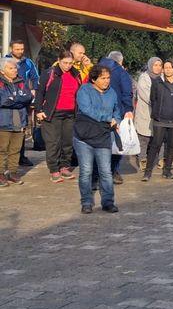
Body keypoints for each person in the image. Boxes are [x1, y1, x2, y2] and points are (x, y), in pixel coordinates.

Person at [73, 64, 121, 214]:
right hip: (84, 136)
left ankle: (108, 202)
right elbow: (87, 110)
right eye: (103, 78)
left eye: (108, 78)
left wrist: (116, 119)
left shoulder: (112, 92)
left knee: (106, 171)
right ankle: (86, 202)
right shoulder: (84, 90)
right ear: (93, 79)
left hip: (103, 135)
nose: (106, 81)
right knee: (86, 171)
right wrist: (107, 118)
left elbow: (116, 110)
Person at [35, 50, 82, 183]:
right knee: (53, 142)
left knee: (67, 142)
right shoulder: (49, 73)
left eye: (70, 63)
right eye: (65, 63)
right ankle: (54, 169)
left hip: (70, 113)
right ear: (59, 60)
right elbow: (40, 92)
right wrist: (38, 110)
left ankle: (64, 166)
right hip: (52, 113)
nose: (67, 66)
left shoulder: (75, 74)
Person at [142, 60, 173, 182]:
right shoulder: (157, 82)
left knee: (171, 146)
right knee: (155, 145)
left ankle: (167, 170)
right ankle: (148, 171)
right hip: (160, 119)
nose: (167, 70)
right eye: (165, 67)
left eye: (170, 68)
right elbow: (153, 98)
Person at [99, 51, 134, 185]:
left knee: (99, 143)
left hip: (96, 111)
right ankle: (113, 172)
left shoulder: (95, 68)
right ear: (120, 61)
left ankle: (98, 173)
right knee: (116, 143)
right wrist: (128, 109)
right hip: (115, 111)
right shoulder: (121, 72)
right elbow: (127, 92)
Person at [0, 57, 33, 186]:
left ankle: (13, 172)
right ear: (3, 71)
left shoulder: (21, 81)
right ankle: (1, 173)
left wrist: (13, 99)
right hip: (3, 122)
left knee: (15, 149)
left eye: (15, 68)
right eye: (11, 68)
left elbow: (28, 97)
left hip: (19, 121)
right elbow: (2, 100)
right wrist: (18, 100)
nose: (14, 70)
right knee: (2, 149)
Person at [6, 39, 38, 168]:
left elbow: (35, 77)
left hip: (23, 98)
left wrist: (34, 90)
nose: (19, 51)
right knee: (7, 127)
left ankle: (21, 156)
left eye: (21, 49)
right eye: (17, 49)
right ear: (11, 49)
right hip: (8, 98)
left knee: (22, 127)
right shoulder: (5, 61)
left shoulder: (28, 62)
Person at [133, 57, 163, 170]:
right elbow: (147, 97)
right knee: (144, 137)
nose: (158, 68)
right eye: (155, 65)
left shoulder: (163, 78)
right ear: (150, 66)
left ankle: (161, 159)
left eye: (159, 65)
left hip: (161, 112)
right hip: (146, 112)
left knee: (160, 136)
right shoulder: (143, 78)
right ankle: (142, 159)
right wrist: (162, 103)